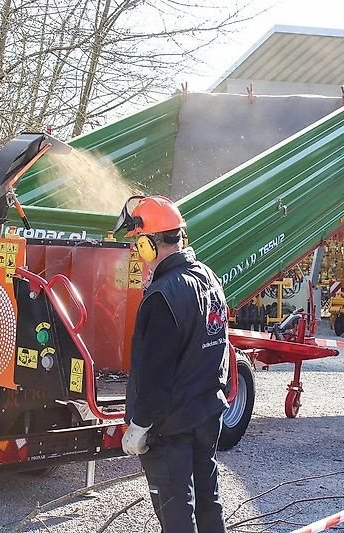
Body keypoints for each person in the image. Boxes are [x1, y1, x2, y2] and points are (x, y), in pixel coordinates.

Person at [114, 195, 230, 533]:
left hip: (171, 427)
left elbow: (155, 374)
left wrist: (140, 425)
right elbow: (219, 347)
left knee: (176, 514)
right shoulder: (208, 278)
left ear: (151, 245)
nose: (138, 252)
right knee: (209, 503)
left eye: (139, 244)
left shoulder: (162, 295)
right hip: (207, 413)